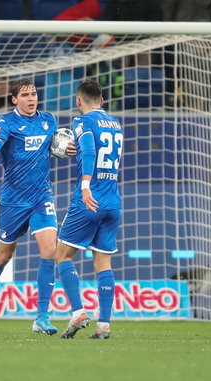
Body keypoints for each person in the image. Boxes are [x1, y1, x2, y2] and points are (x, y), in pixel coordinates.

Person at [0, 78, 74, 335]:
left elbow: (52, 148)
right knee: (4, 255)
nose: (32, 99)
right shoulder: (7, 122)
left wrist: (66, 149)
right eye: (26, 95)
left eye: (34, 94)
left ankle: (42, 316)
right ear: (14, 100)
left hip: (42, 197)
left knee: (50, 250)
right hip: (13, 200)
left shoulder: (49, 120)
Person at [56, 79, 122, 340]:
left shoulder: (81, 121)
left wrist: (85, 186)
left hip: (89, 199)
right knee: (103, 261)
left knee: (62, 255)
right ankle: (103, 325)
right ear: (102, 101)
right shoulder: (114, 123)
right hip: (112, 201)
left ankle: (78, 311)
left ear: (78, 100)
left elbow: (90, 150)